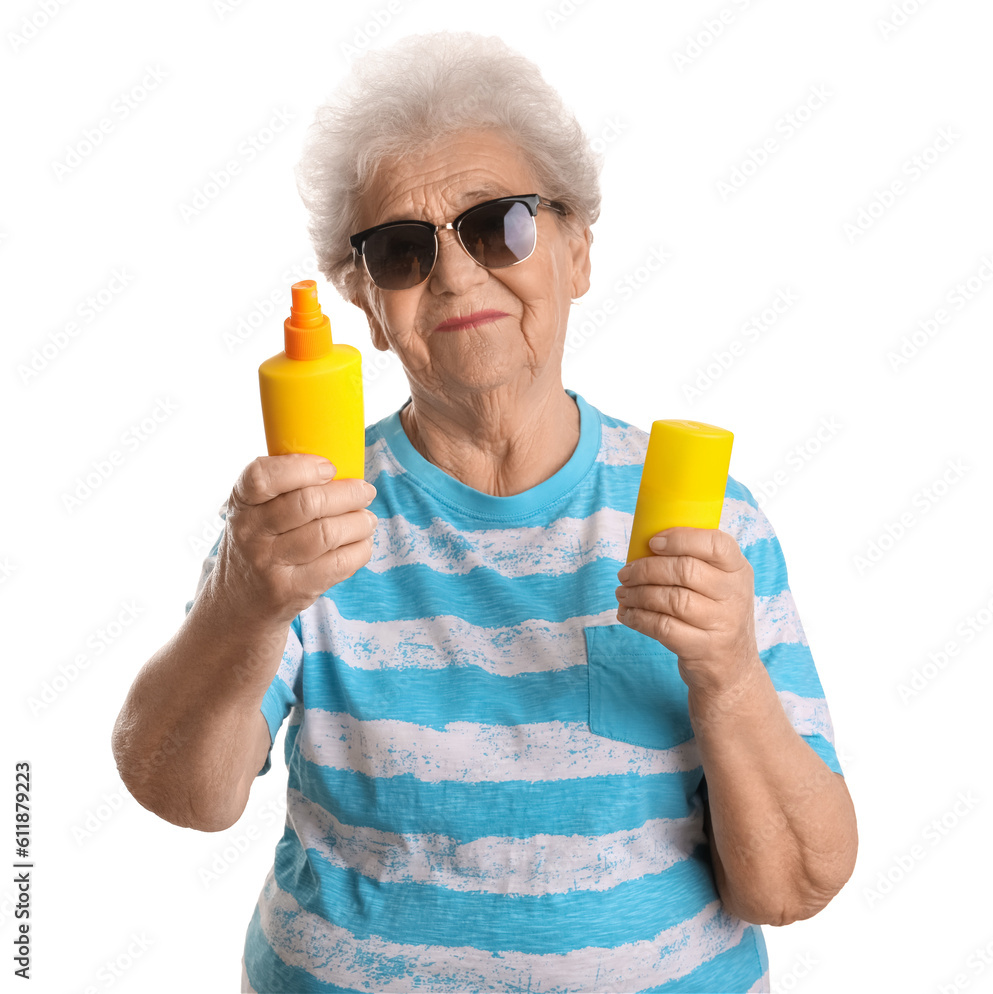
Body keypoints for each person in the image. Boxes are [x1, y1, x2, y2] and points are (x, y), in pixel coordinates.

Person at [111, 31, 858, 994]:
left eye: (497, 223)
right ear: (369, 305)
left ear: (576, 251)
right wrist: (239, 605)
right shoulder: (307, 517)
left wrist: (725, 675)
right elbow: (183, 792)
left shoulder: (711, 517)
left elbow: (793, 885)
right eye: (402, 250)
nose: (457, 276)